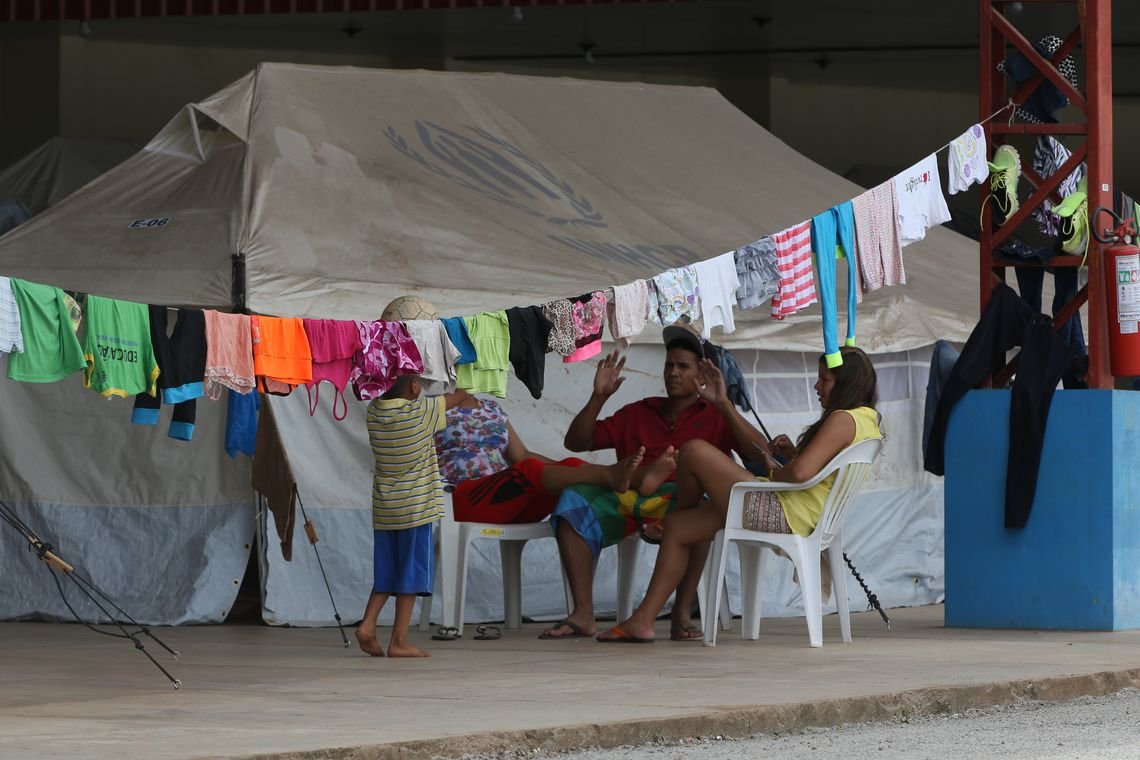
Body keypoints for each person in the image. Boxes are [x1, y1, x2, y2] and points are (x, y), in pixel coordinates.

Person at [596, 345, 882, 643]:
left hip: (784, 512)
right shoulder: (866, 420)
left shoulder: (843, 418)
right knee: (680, 527)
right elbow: (823, 469)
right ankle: (642, 620)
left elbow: (799, 474)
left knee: (693, 450)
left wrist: (774, 470)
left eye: (825, 380)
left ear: (846, 384)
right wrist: (795, 454)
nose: (817, 386)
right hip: (801, 512)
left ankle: (674, 512)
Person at [540, 324, 772, 641]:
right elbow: (577, 442)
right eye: (669, 365)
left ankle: (681, 614)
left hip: (683, 501)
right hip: (630, 495)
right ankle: (583, 614)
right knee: (572, 502)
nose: (673, 373)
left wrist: (724, 405)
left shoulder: (716, 415)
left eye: (683, 366)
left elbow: (760, 453)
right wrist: (597, 398)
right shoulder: (639, 411)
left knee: (699, 515)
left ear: (702, 376)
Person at [438, 387, 648, 524]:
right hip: (459, 501)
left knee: (570, 467)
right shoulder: (431, 408)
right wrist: (459, 392)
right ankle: (612, 476)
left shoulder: (492, 409)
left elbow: (521, 454)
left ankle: (628, 486)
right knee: (527, 471)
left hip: (503, 501)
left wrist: (568, 468)